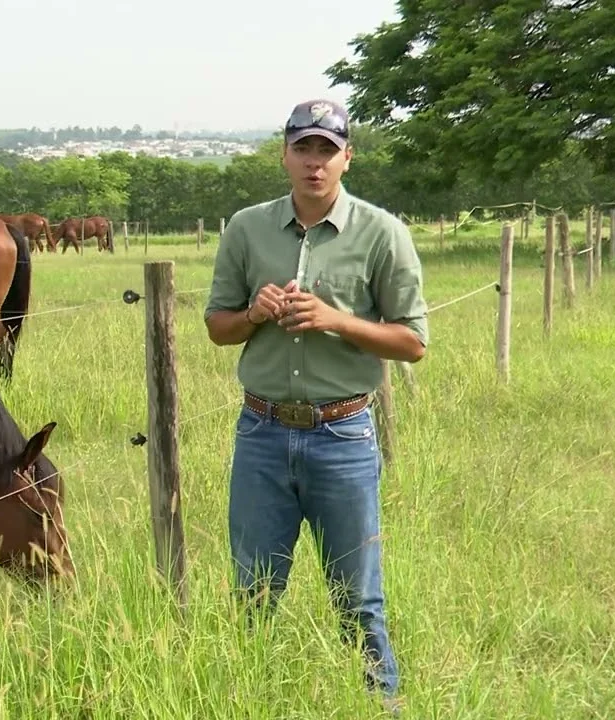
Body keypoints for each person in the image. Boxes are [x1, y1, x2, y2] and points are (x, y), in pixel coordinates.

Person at [203, 98, 428, 711]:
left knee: (358, 596)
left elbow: (412, 342)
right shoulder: (246, 229)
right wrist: (255, 313)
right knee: (252, 591)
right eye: (303, 148)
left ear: (347, 158)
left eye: (326, 150)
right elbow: (218, 327)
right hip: (262, 432)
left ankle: (380, 704)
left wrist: (336, 320)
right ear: (284, 155)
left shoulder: (382, 232)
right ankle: (246, 701)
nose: (314, 162)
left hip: (343, 435)